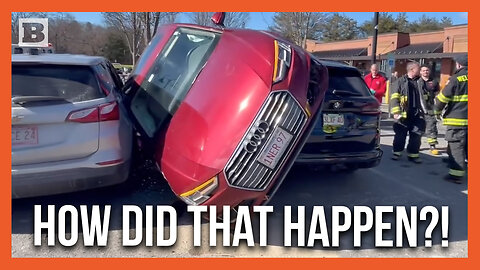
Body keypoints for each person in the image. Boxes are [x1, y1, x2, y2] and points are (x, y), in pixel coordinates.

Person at [434, 54, 468, 184]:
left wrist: (436, 111)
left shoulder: (456, 79)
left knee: (456, 146)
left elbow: (443, 98)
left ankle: (456, 175)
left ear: (459, 64)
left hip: (458, 119)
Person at [390, 61, 426, 163]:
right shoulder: (400, 81)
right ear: (412, 70)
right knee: (400, 135)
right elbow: (394, 97)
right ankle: (397, 152)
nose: (420, 71)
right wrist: (396, 112)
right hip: (404, 113)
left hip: (417, 113)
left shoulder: (420, 81)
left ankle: (413, 155)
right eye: (418, 69)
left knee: (416, 135)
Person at [417, 65, 440, 155]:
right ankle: (416, 145)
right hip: (419, 109)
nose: (425, 72)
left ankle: (432, 145)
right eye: (423, 70)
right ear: (420, 72)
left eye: (427, 70)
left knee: (432, 127)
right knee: (419, 128)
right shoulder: (417, 82)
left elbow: (437, 94)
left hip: (430, 108)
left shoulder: (434, 82)